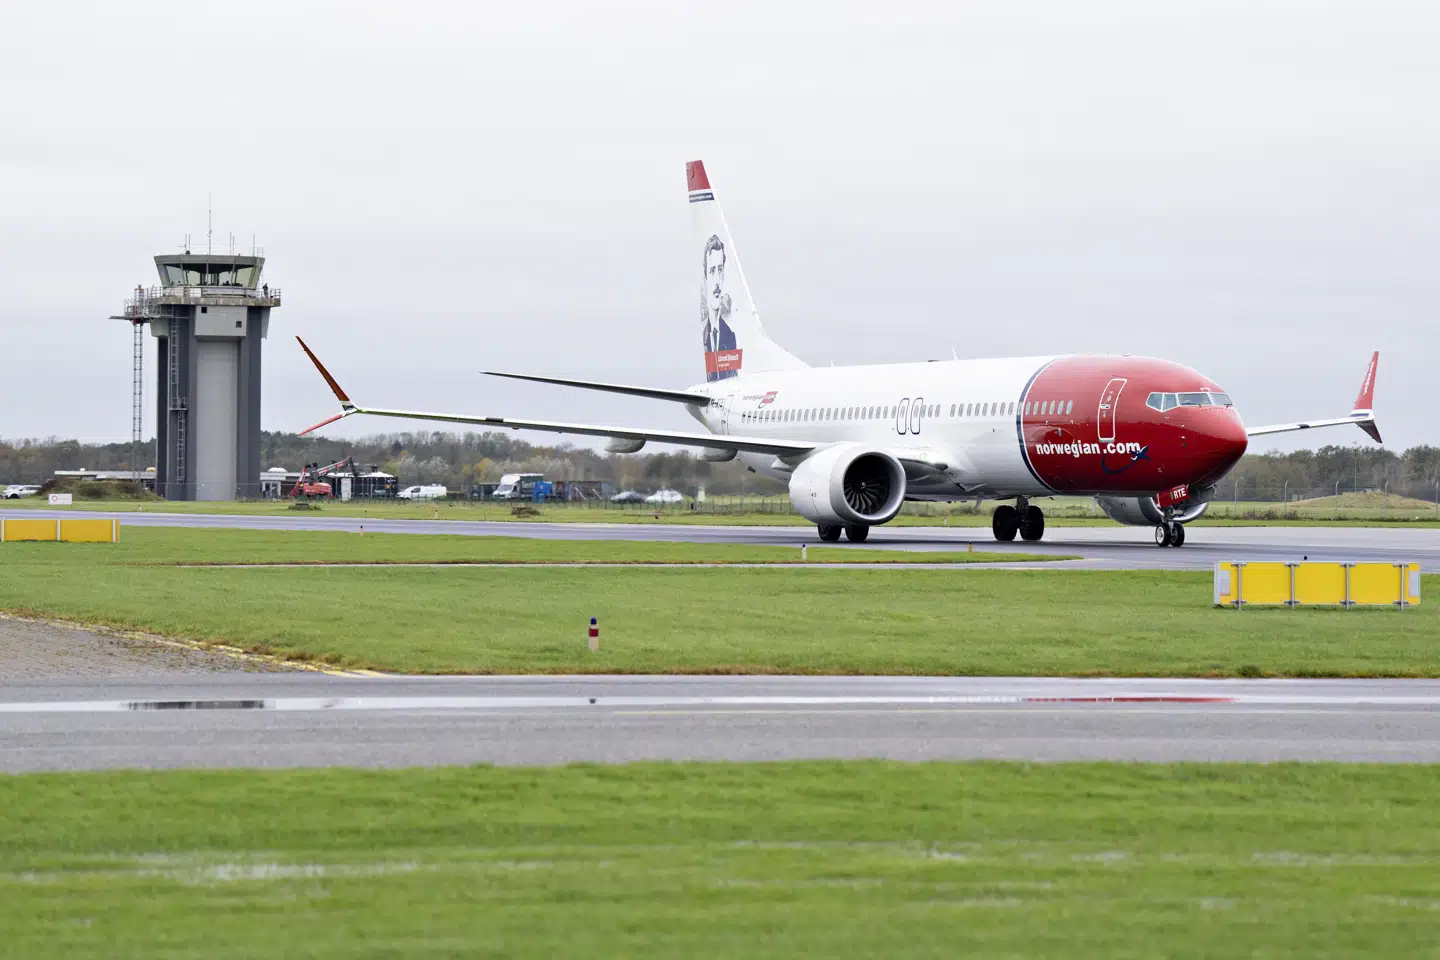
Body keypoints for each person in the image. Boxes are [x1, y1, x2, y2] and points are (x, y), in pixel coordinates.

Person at [700, 234, 737, 380]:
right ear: (705, 278)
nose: (717, 280)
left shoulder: (730, 337)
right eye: (712, 271)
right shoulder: (705, 335)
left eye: (720, 270)